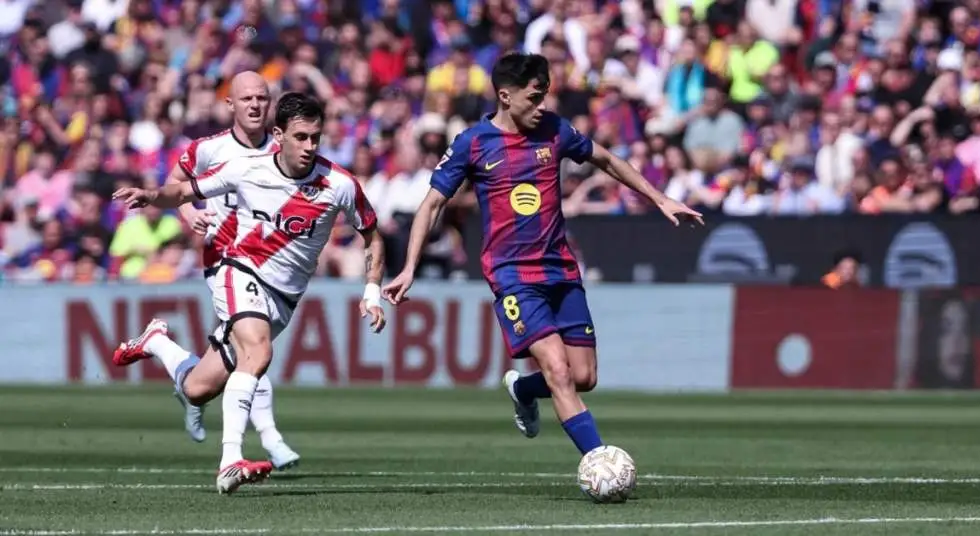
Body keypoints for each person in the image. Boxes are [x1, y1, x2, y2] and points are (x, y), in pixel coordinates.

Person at [383, 53, 703, 458]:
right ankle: (598, 460)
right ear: (505, 96)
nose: (542, 106)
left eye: (545, 96)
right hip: (512, 274)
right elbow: (431, 205)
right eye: (534, 98)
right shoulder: (473, 143)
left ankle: (522, 388)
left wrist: (660, 199)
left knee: (583, 376)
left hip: (561, 270)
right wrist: (409, 267)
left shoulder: (555, 130)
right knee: (557, 370)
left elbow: (606, 159)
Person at [111, 92, 387, 493]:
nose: (310, 146)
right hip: (238, 269)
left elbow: (372, 236)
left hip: (283, 298)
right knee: (258, 352)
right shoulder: (245, 168)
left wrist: (372, 292)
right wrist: (153, 195)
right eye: (301, 137)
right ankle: (230, 461)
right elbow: (185, 191)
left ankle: (156, 342)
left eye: (315, 137)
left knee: (197, 389)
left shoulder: (339, 184)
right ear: (278, 135)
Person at [150, 71, 297, 466]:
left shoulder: (284, 149)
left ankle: (167, 356)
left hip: (269, 263)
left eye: (261, 98)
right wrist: (189, 214)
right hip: (225, 259)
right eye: (246, 98)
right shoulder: (208, 149)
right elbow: (174, 185)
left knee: (232, 358)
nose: (255, 105)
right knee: (253, 345)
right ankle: (270, 438)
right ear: (230, 104)